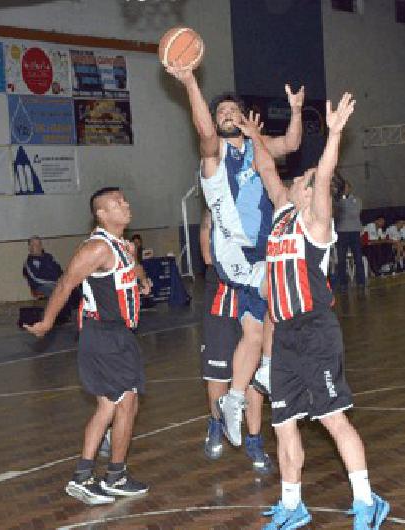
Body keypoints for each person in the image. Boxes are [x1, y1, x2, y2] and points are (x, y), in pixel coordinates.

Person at [239, 93, 390, 529]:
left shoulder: (316, 223)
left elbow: (324, 176)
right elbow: (267, 170)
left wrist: (336, 133)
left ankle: (367, 500)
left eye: (303, 178)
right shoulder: (283, 213)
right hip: (284, 333)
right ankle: (292, 505)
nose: (297, 180)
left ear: (313, 192)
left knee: (331, 417)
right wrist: (254, 138)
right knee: (283, 422)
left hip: (315, 330)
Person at [166, 62, 304, 447]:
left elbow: (291, 144)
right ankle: (267, 374)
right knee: (280, 289)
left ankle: (237, 397)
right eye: (220, 113)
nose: (226, 117)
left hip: (262, 248)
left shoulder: (257, 147)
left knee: (256, 330)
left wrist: (295, 111)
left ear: (244, 118)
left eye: (232, 112)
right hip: (235, 252)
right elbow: (203, 132)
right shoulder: (214, 155)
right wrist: (190, 81)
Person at [24, 187, 150, 504]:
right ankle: (109, 476)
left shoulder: (123, 245)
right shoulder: (96, 248)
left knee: (112, 405)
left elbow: (133, 270)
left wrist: (142, 280)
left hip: (121, 335)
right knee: (125, 403)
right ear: (101, 214)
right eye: (117, 203)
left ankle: (93, 476)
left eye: (125, 199)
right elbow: (67, 283)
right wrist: (47, 322)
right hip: (103, 335)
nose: (126, 204)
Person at [198, 208, 272, 473]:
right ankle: (217, 423)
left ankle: (254, 439)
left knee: (252, 376)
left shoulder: (260, 212)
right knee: (217, 375)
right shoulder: (214, 212)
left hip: (251, 300)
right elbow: (209, 256)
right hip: (221, 301)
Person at [334, 180, 366, 290]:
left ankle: (361, 281)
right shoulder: (337, 201)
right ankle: (343, 283)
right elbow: (337, 213)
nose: (345, 189)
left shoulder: (357, 200)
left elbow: (355, 213)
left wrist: (344, 205)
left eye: (346, 187)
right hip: (341, 232)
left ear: (350, 188)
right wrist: (342, 203)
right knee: (341, 259)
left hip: (354, 232)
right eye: (343, 187)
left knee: (358, 257)